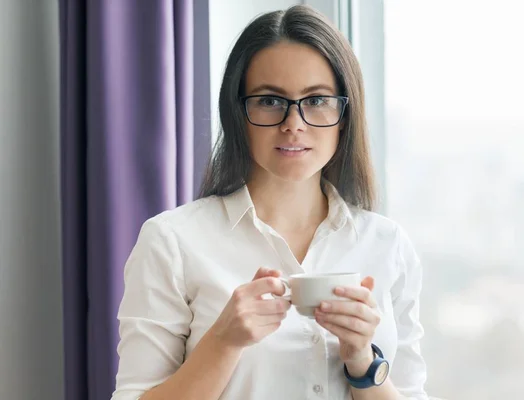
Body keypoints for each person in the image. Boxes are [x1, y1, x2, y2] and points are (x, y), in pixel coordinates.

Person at [112, 5, 427, 400]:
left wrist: (362, 361)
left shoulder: (387, 244)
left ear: (345, 115)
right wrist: (223, 342)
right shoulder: (172, 241)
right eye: (269, 101)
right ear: (238, 113)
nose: (293, 123)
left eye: (316, 101)